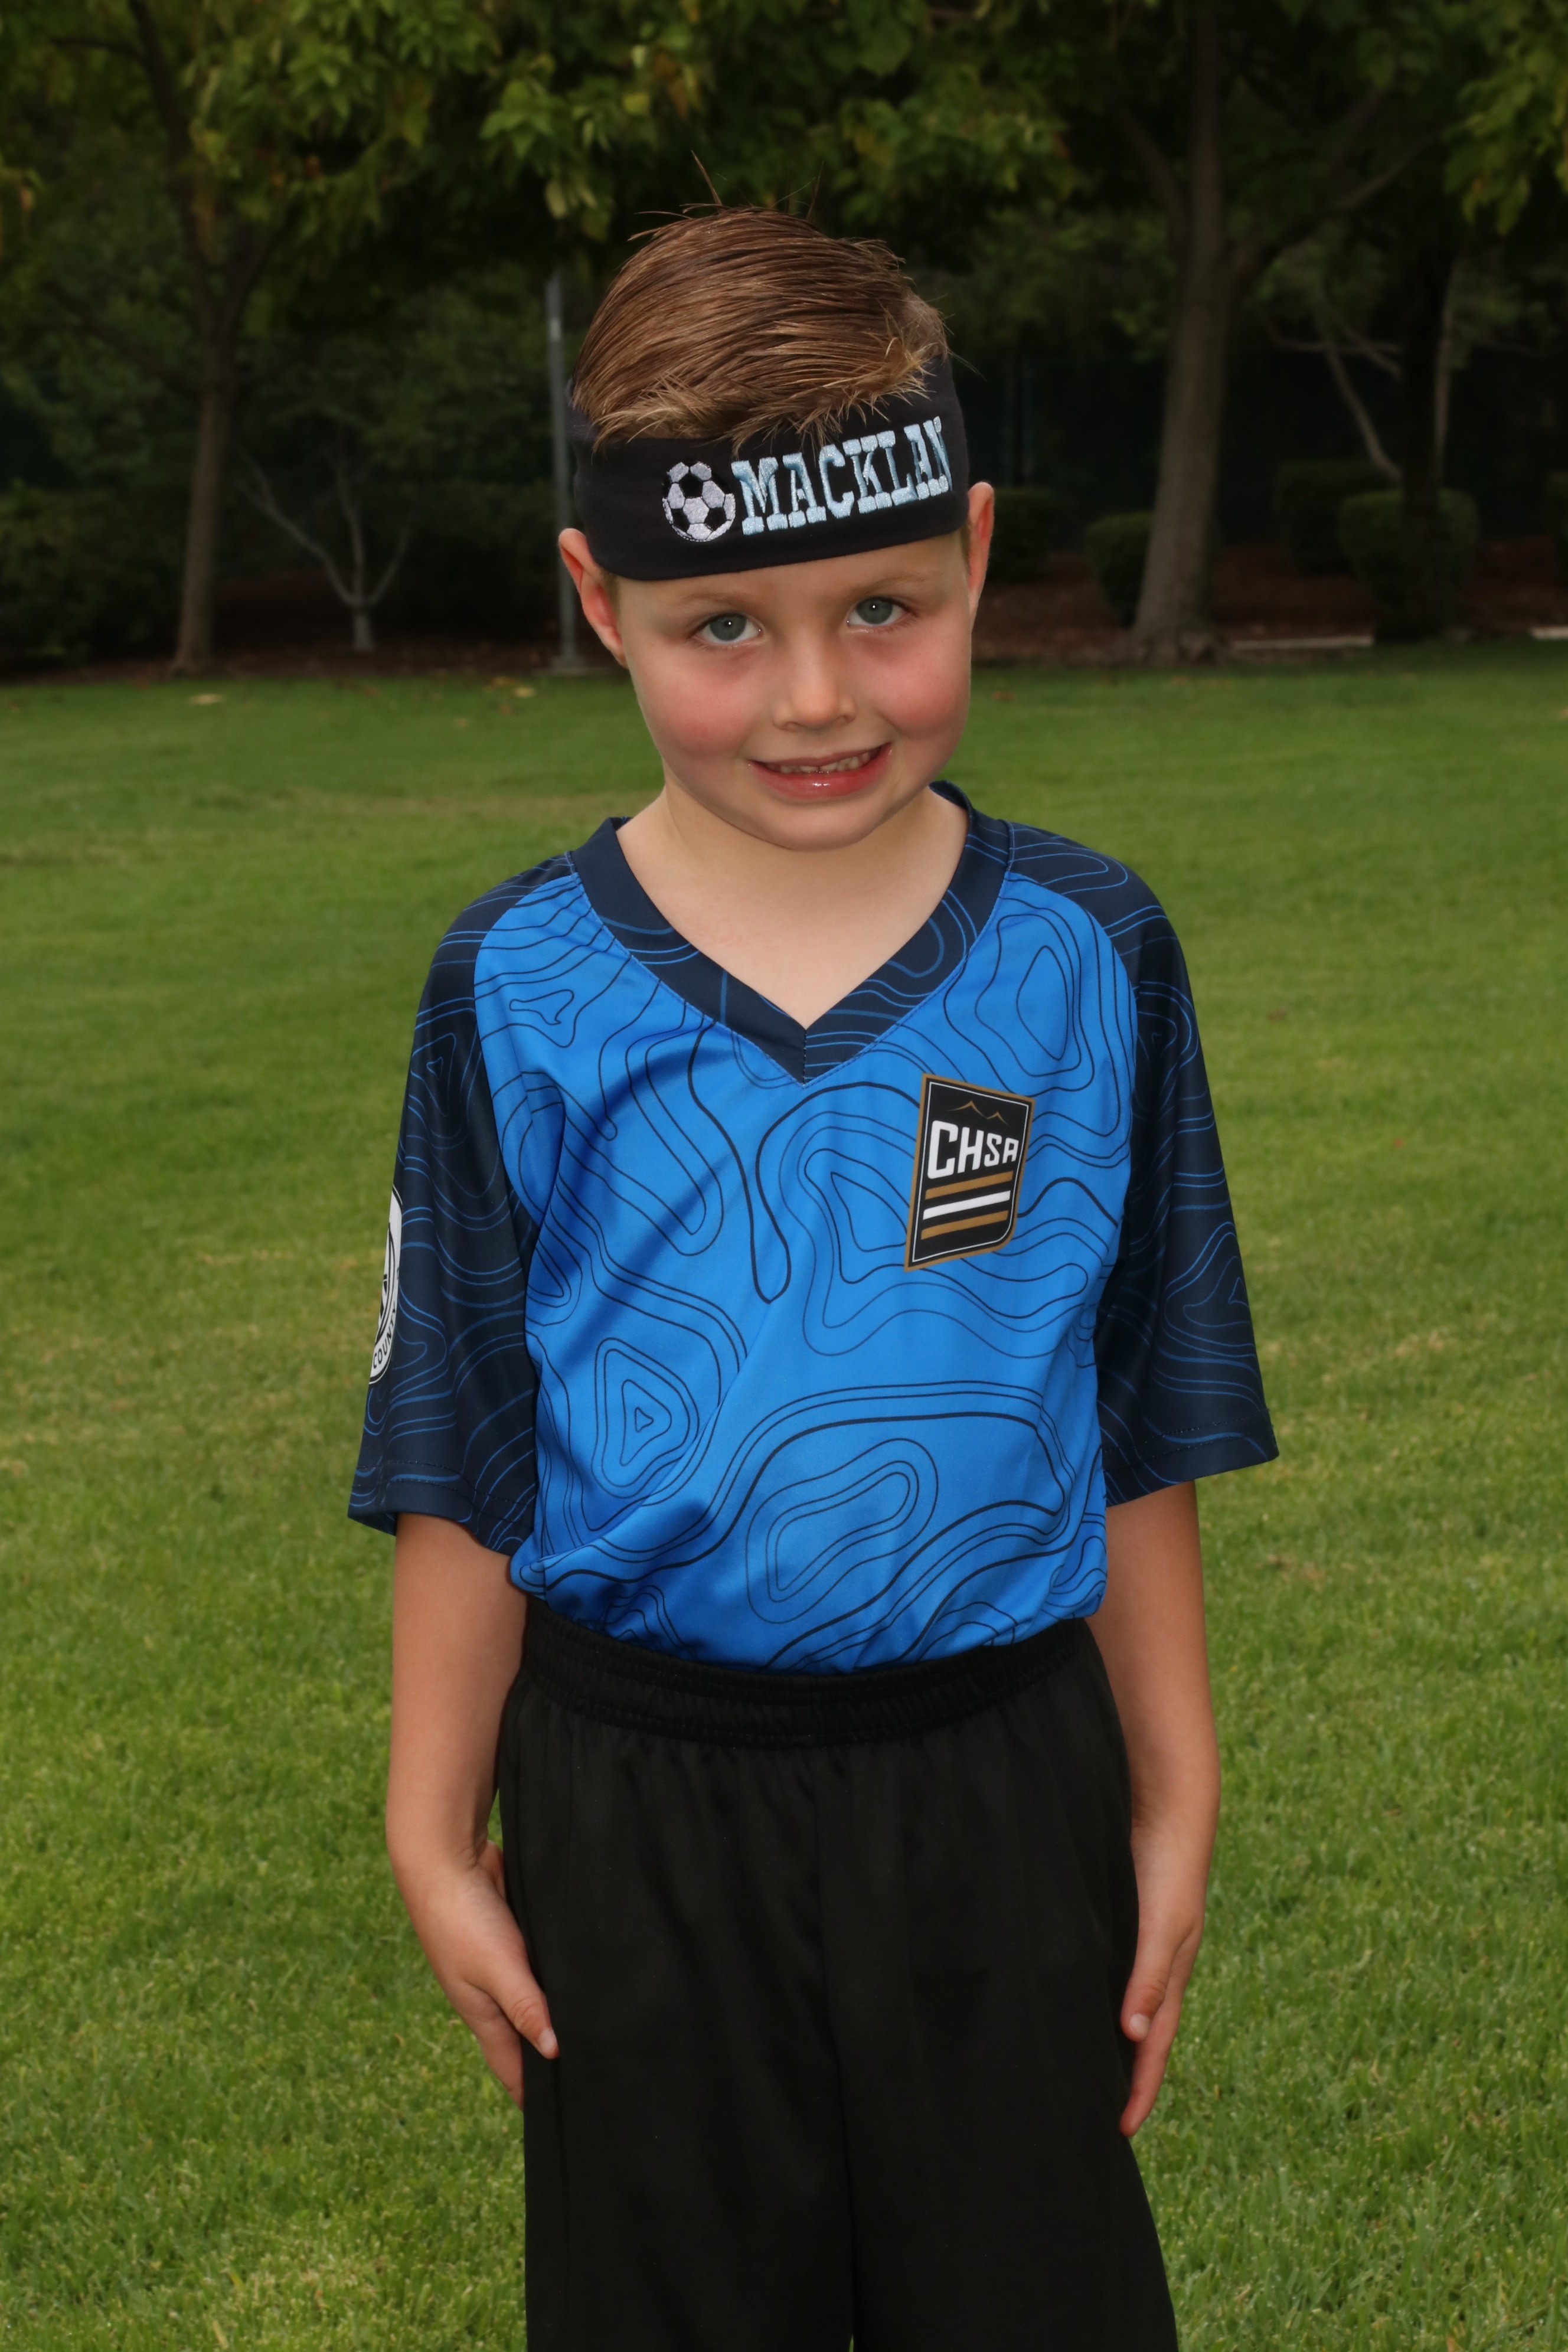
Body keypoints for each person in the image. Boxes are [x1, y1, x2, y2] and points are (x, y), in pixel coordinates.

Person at [350, 207, 1276, 2352]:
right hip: (639, 1804)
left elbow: (1136, 1392)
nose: (818, 696)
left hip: (997, 1781)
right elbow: (466, 1429)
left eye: (883, 606)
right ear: (601, 602)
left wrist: (1177, 1785)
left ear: (973, 550)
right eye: (724, 627)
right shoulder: (517, 984)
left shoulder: (1087, 955)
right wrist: (430, 1823)